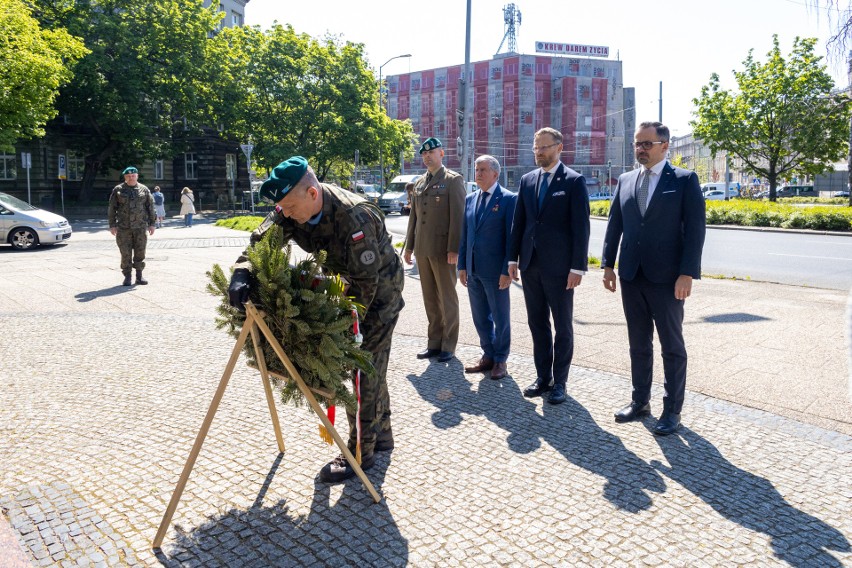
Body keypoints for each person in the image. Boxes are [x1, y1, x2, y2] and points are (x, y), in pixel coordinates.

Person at [228, 156, 405, 483]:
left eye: (291, 207)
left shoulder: (355, 217)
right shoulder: (291, 206)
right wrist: (243, 271)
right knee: (372, 366)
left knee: (363, 366)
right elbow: (262, 240)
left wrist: (334, 327)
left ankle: (360, 453)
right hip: (342, 286)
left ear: (312, 193)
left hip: (378, 295)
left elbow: (365, 285)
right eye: (284, 208)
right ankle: (382, 434)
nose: (287, 214)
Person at [602, 121, 706, 435]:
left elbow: (695, 231)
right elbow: (614, 225)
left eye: (647, 143)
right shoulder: (626, 179)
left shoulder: (685, 180)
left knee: (671, 346)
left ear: (664, 146)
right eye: (638, 143)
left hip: (668, 278)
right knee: (638, 343)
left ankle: (672, 410)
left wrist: (687, 273)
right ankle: (640, 401)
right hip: (632, 275)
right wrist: (608, 265)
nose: (641, 149)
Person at [508, 127, 590, 405]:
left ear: (559, 147)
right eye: (536, 148)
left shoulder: (574, 181)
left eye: (544, 147)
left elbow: (581, 228)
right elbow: (519, 223)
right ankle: (543, 377)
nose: (539, 152)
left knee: (563, 326)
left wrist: (578, 267)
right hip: (530, 265)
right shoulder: (527, 180)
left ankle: (560, 382)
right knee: (537, 323)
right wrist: (512, 259)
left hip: (561, 269)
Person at [403, 137, 466, 363]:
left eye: (432, 152)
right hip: (422, 249)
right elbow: (414, 218)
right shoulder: (419, 183)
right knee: (430, 298)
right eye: (424, 154)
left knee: (447, 299)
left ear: (442, 153)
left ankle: (449, 344)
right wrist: (409, 247)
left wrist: (454, 248)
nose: (427, 157)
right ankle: (434, 343)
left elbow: (458, 218)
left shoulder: (452, 180)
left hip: (443, 250)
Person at [458, 155, 517, 380]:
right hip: (473, 270)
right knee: (480, 317)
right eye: (476, 169)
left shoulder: (509, 199)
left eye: (483, 170)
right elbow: (465, 235)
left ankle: (501, 359)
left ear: (495, 174)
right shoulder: (470, 199)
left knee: (501, 317)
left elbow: (512, 239)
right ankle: (488, 355)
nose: (478, 174)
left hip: (496, 272)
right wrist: (462, 265)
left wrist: (506, 270)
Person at [108, 166, 156, 286]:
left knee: (140, 252)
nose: (131, 178)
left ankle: (139, 276)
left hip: (140, 227)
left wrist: (152, 224)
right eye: (128, 176)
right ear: (125, 177)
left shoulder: (144, 190)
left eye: (133, 175)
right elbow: (112, 208)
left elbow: (150, 207)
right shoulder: (118, 189)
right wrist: (112, 225)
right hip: (124, 228)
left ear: (137, 176)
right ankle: (127, 276)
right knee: (125, 253)